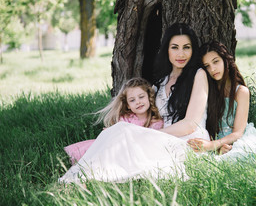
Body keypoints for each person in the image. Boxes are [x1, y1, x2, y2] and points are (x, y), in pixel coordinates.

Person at [59, 23, 209, 183]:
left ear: (193, 50)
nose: (181, 53)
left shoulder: (198, 75)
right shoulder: (161, 81)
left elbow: (190, 124)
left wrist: (146, 135)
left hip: (189, 142)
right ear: (167, 49)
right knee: (118, 134)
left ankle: (83, 178)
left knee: (125, 136)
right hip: (162, 139)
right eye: (175, 47)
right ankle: (83, 176)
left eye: (186, 47)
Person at [64, 77, 163, 165]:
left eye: (141, 97)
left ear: (149, 97)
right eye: (132, 100)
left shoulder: (155, 122)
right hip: (119, 148)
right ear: (128, 105)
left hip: (135, 153)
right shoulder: (125, 118)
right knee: (95, 154)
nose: (138, 102)